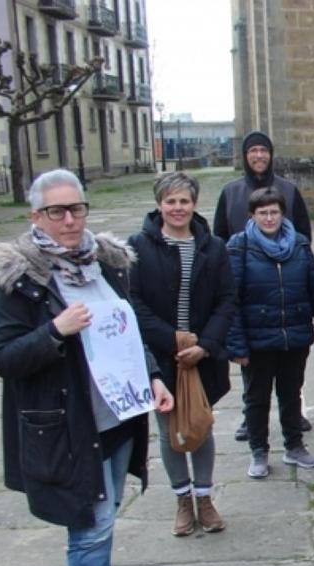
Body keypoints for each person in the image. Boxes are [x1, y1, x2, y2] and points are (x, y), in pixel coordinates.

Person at [0, 169, 174, 566]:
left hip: (116, 418)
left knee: (105, 517)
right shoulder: (22, 278)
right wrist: (53, 330)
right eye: (56, 211)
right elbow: (2, 357)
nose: (69, 220)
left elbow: (127, 325)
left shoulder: (107, 264)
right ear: (36, 217)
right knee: (89, 530)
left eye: (76, 209)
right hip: (68, 429)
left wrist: (154, 375)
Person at [128, 172, 236, 537]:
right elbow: (134, 303)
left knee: (201, 425)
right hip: (162, 355)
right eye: (170, 201)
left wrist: (205, 345)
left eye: (184, 201)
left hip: (202, 353)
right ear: (160, 204)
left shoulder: (214, 247)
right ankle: (182, 500)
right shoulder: (138, 247)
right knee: (169, 428)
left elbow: (226, 300)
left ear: (194, 204)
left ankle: (205, 497)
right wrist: (171, 340)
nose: (178, 208)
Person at [227, 187, 314, 479]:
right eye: (262, 212)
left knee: (291, 395)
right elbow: (230, 299)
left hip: (294, 336)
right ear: (252, 215)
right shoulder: (238, 247)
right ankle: (259, 451)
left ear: (282, 213)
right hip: (257, 340)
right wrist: (237, 345)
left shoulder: (299, 245)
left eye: (274, 211)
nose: (269, 217)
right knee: (257, 398)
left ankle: (294, 446)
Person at [213, 130, 313, 441]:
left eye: (263, 150)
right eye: (253, 151)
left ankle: (292, 414)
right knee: (252, 368)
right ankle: (251, 417)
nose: (258, 156)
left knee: (290, 369)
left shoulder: (289, 190)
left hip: (286, 287)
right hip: (247, 285)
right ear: (245, 156)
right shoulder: (230, 193)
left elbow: (304, 236)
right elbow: (218, 238)